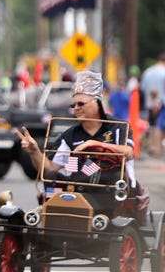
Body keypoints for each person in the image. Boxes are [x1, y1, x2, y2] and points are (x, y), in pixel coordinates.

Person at [16, 70, 150, 215]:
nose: (76, 108)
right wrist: (34, 151)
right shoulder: (70, 135)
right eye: (73, 105)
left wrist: (94, 145)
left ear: (97, 102)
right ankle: (56, 212)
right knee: (53, 177)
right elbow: (49, 168)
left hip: (116, 189)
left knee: (100, 171)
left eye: (81, 104)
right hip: (79, 186)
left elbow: (128, 153)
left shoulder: (118, 127)